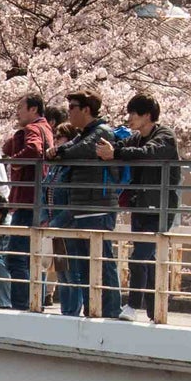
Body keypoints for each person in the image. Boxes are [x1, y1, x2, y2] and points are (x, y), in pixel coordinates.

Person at [97, 92, 179, 322]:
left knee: (139, 257)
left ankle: (132, 306)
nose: (129, 117)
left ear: (147, 115)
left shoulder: (164, 136)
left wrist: (116, 153)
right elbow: (122, 146)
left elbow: (149, 153)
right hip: (141, 204)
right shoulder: (136, 137)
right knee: (148, 259)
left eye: (134, 113)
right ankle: (156, 311)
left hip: (159, 206)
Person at [49, 90, 122, 318]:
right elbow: (74, 148)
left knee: (102, 260)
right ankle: (94, 307)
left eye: (72, 107)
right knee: (86, 263)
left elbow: (80, 150)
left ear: (86, 109)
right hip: (82, 206)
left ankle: (110, 309)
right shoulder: (84, 133)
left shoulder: (101, 132)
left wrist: (59, 150)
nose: (68, 112)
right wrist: (62, 151)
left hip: (97, 206)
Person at [0, 95, 56, 311]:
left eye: (21, 108)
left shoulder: (32, 128)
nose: (17, 112)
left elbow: (33, 149)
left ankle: (21, 303)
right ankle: (35, 300)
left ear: (33, 109)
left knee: (16, 256)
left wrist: (15, 162)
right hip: (38, 197)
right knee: (31, 256)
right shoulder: (46, 128)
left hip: (25, 197)